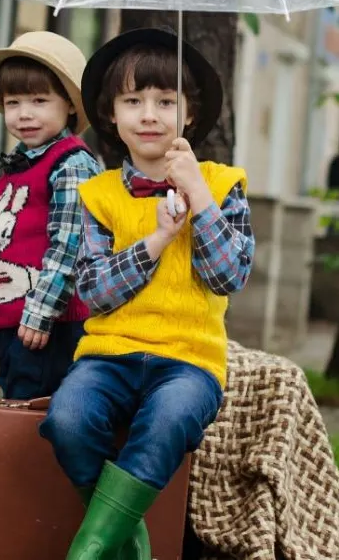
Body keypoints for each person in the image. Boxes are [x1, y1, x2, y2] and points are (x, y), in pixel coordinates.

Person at [40, 27, 255, 560]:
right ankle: (126, 540)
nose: (150, 114)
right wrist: (157, 239)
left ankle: (86, 552)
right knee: (66, 419)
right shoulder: (99, 194)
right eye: (133, 100)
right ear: (112, 114)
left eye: (165, 101)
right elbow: (93, 291)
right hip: (108, 354)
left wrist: (200, 199)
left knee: (169, 419)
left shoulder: (222, 184)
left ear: (189, 113)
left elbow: (229, 277)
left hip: (188, 360)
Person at [0, 31, 101, 400]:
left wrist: (41, 314)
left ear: (70, 105)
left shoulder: (71, 164)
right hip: (9, 324)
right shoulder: (17, 166)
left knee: (30, 415)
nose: (24, 113)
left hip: (49, 326)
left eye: (40, 100)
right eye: (13, 102)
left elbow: (69, 247)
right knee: (14, 403)